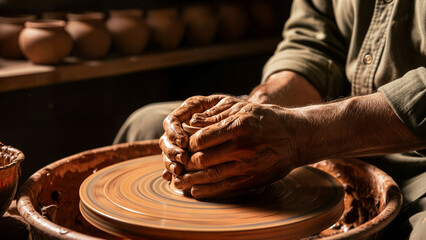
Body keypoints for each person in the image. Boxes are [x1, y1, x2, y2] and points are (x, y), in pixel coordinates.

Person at [115, 0, 426, 239]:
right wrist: (255, 109)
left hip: (417, 157)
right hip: (321, 123)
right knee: (145, 125)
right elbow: (314, 43)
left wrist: (300, 135)